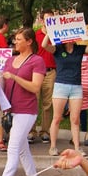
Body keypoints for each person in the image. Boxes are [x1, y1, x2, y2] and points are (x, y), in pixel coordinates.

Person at [0, 27, 46, 176]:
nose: (15, 42)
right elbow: (3, 82)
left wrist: (15, 77)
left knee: (13, 148)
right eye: (15, 39)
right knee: (22, 149)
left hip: (26, 110)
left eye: (19, 39)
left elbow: (35, 87)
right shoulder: (10, 60)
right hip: (10, 108)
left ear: (29, 42)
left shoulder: (36, 61)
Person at [42, 24, 88, 156]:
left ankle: (77, 147)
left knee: (75, 119)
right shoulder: (57, 49)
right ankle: (53, 146)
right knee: (57, 118)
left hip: (76, 86)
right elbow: (44, 45)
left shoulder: (80, 49)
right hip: (61, 85)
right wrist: (49, 33)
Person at [33, 9, 57, 144]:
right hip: (36, 72)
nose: (50, 22)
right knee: (33, 102)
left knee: (48, 104)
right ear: (42, 20)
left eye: (52, 19)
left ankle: (45, 131)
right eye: (47, 19)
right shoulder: (35, 35)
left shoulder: (57, 35)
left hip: (51, 71)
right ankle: (31, 131)